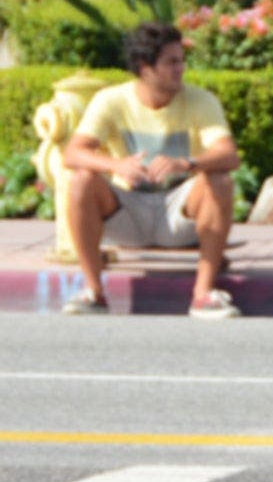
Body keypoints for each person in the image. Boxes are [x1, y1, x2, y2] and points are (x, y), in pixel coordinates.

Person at [60, 22, 242, 320]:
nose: (181, 68)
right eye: (171, 62)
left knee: (219, 180)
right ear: (145, 68)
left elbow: (228, 154)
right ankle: (94, 292)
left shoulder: (201, 100)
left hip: (179, 216)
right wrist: (117, 165)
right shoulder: (111, 100)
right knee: (81, 180)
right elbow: (73, 153)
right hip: (127, 214)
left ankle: (203, 295)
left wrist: (186, 164)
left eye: (182, 60)